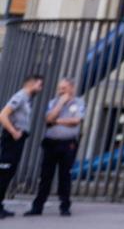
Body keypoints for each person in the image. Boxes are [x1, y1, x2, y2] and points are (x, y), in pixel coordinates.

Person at [24, 78, 85, 217]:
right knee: (45, 176)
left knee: (65, 176)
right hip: (51, 143)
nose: (60, 91)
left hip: (68, 144)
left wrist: (56, 121)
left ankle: (64, 206)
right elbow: (48, 119)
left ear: (71, 88)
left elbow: (75, 121)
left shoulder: (79, 102)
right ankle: (37, 207)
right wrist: (61, 103)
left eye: (63, 88)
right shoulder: (53, 102)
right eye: (59, 88)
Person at [0, 73, 44, 219]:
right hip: (11, 139)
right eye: (39, 85)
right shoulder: (20, 96)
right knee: (4, 172)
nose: (41, 88)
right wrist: (13, 131)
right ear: (31, 84)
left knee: (9, 172)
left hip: (18, 139)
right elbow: (3, 115)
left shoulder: (27, 99)